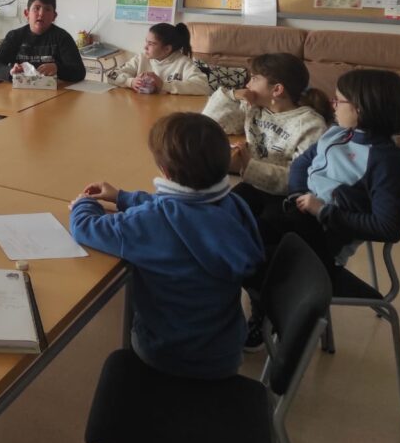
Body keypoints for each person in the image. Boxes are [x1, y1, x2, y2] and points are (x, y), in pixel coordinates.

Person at [68, 112, 264, 379]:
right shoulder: (233, 205)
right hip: (225, 352)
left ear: (166, 172)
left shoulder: (151, 222)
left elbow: (85, 227)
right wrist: (123, 197)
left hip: (167, 355)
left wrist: (83, 203)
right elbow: (182, 209)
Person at [242, 68, 400, 350]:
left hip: (323, 240)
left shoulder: (385, 161)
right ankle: (249, 300)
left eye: (339, 100)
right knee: (241, 207)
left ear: (361, 108)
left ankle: (268, 314)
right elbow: (301, 165)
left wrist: (322, 211)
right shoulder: (337, 133)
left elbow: (388, 228)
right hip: (301, 214)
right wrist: (298, 194)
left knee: (249, 243)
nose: (333, 105)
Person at [202, 53, 332, 199]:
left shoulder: (311, 125)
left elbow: (300, 178)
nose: (248, 85)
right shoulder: (253, 108)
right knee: (219, 205)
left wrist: (249, 164)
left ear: (277, 90)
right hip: (252, 185)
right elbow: (209, 123)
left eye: (254, 79)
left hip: (288, 197)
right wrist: (232, 95)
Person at [0, 0, 86, 82]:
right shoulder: (14, 36)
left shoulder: (63, 38)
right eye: (36, 8)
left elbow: (79, 72)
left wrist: (57, 68)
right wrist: (10, 71)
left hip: (54, 90)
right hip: (20, 89)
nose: (41, 14)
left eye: (47, 9)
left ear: (54, 16)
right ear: (27, 13)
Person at [106, 22, 210, 95]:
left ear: (167, 49)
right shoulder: (141, 58)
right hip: (143, 108)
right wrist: (131, 82)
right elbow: (111, 75)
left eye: (151, 44)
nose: (145, 47)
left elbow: (203, 87)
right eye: (146, 42)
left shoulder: (183, 63)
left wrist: (163, 85)